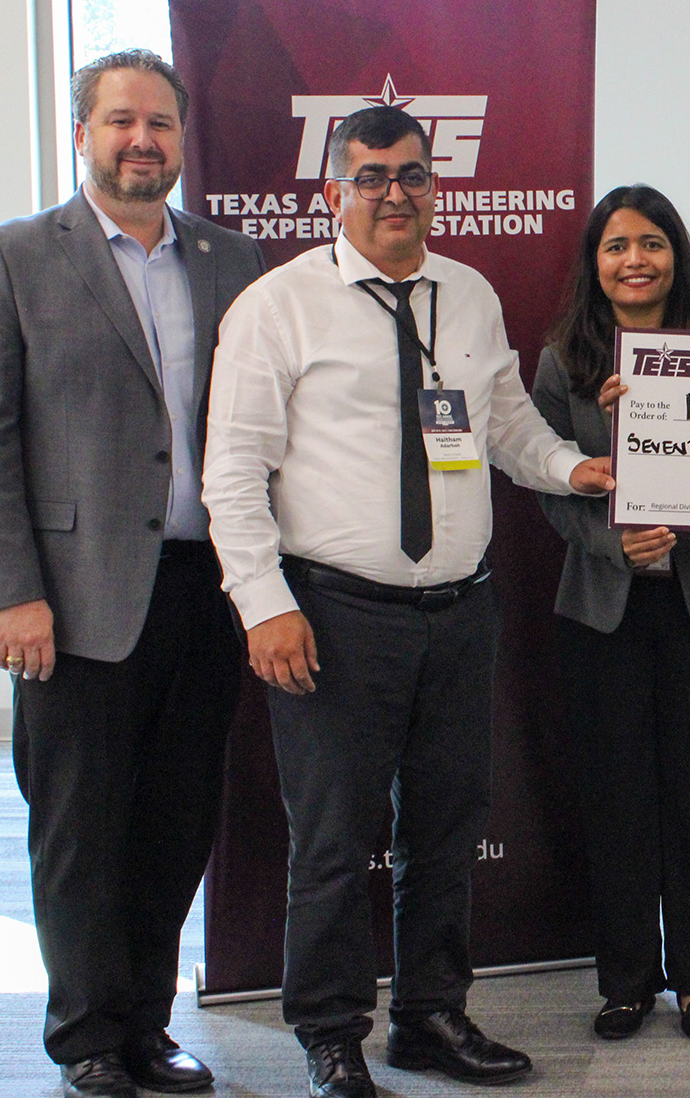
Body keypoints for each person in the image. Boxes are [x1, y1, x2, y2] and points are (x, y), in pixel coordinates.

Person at [202, 105, 612, 1098]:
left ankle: (429, 1017)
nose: (396, 193)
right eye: (372, 176)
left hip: (460, 612)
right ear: (332, 192)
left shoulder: (465, 295)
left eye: (413, 174)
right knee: (335, 840)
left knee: (444, 827)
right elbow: (232, 474)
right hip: (332, 616)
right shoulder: (275, 306)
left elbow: (505, 420)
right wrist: (263, 605)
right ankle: (332, 1032)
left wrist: (573, 469)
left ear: (437, 184)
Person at [0, 49, 264, 1098]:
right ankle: (83, 1035)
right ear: (83, 134)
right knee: (80, 830)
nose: (142, 140)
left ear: (180, 138)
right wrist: (9, 591)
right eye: (120, 120)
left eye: (161, 123)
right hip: (69, 603)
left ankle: (146, 1025)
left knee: (174, 825)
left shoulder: (230, 260)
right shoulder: (14, 254)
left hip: (204, 592)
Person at [532, 185, 690, 1043]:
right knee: (617, 796)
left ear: (678, 256)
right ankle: (627, 977)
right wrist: (603, 540)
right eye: (616, 244)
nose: (635, 259)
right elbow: (547, 483)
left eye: (652, 242)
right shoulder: (565, 360)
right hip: (603, 610)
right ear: (595, 263)